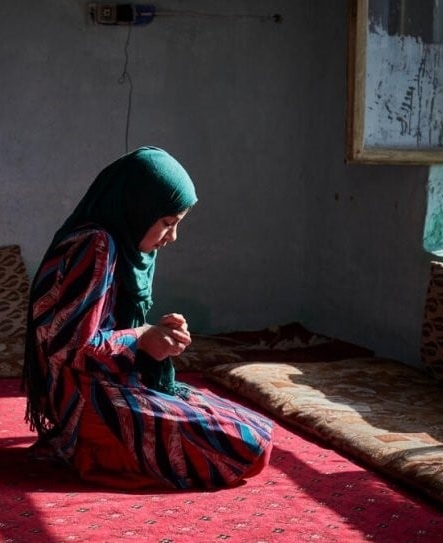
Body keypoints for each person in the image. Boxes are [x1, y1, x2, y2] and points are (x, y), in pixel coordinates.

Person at [22, 146, 274, 490]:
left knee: (254, 430)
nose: (172, 237)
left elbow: (111, 328)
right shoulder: (96, 246)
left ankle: (105, 445)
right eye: (167, 223)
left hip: (112, 380)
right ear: (138, 209)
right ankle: (86, 447)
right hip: (84, 397)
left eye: (177, 224)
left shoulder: (123, 245)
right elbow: (70, 348)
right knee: (245, 446)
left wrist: (158, 336)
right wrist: (141, 336)